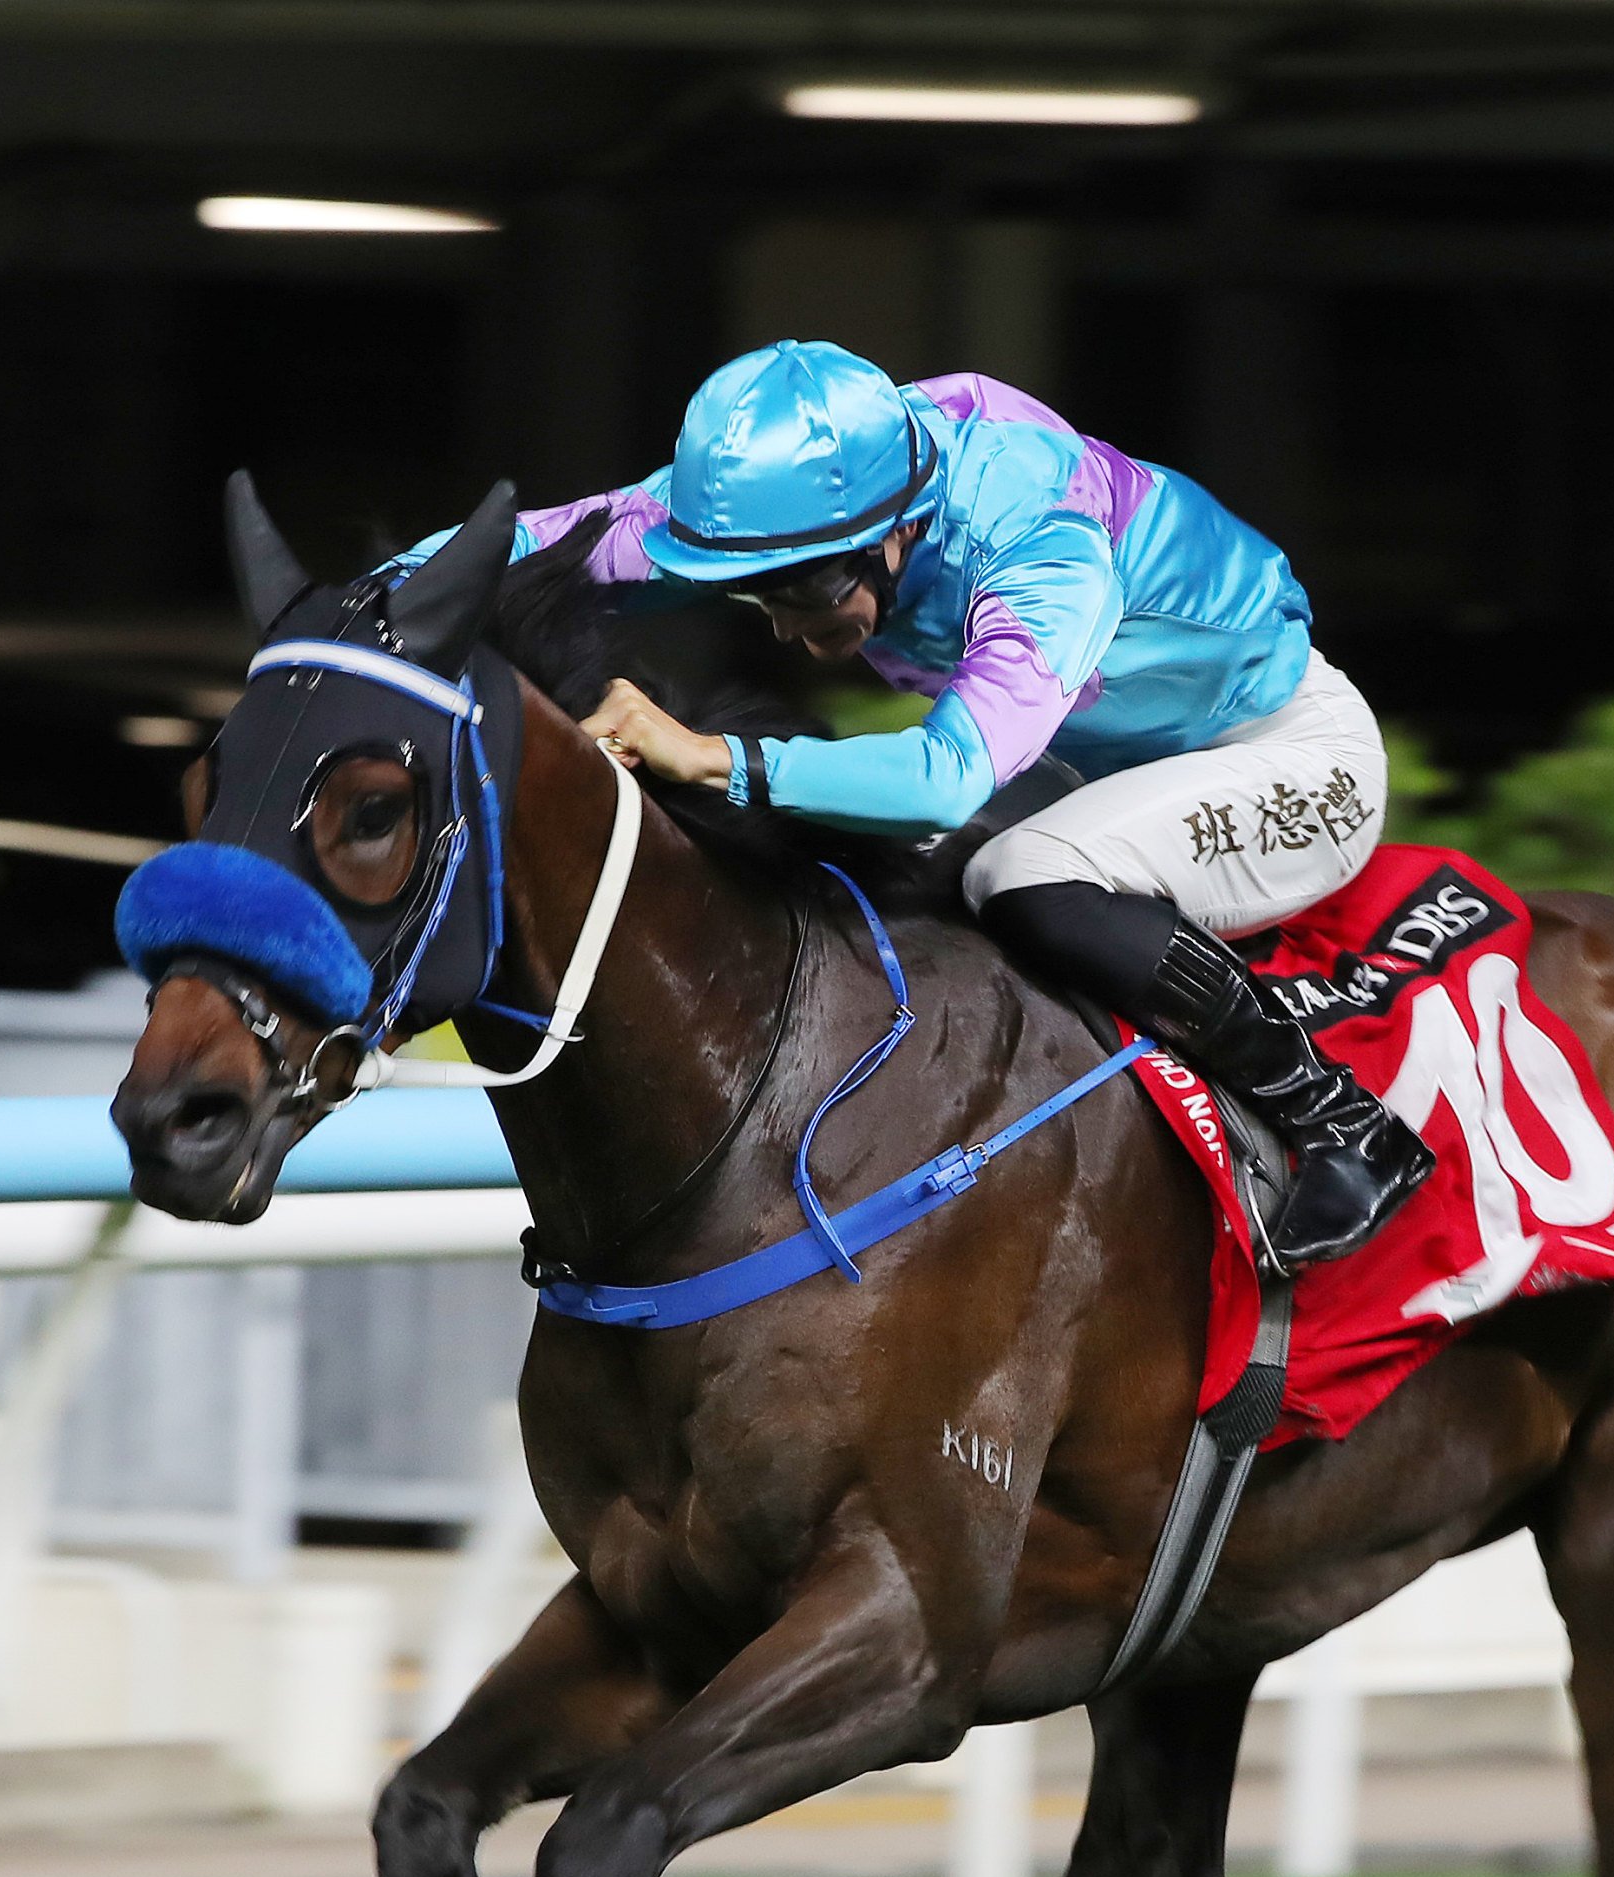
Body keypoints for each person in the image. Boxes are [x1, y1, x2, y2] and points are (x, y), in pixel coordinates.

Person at [422, 342, 1426, 1268]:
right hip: (1096, 765)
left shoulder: (1040, 543)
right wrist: (347, 624)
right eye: (752, 590)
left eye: (805, 588)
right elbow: (539, 543)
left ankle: (1345, 1126)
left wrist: (712, 757)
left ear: (895, 530)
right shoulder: (814, 495)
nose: (785, 621)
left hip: (1287, 758)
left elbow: (943, 776)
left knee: (1019, 877)